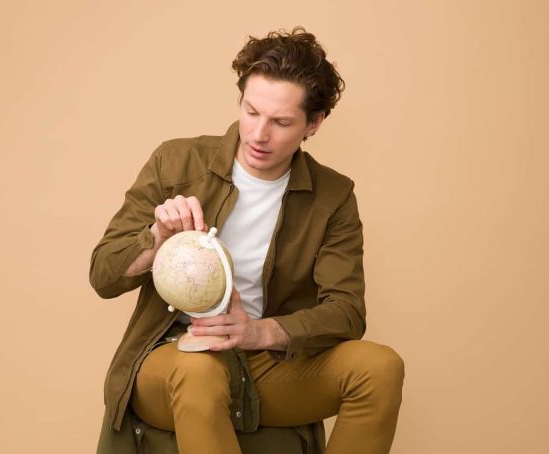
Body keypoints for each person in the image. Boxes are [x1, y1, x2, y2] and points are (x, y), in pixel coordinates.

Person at [90, 27, 404, 454]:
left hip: (265, 362)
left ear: (313, 124)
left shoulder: (333, 196)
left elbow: (347, 312)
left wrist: (261, 332)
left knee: (380, 367)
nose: (258, 134)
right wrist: (157, 237)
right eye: (251, 111)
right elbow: (103, 276)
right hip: (172, 356)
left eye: (281, 122)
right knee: (199, 373)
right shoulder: (176, 161)